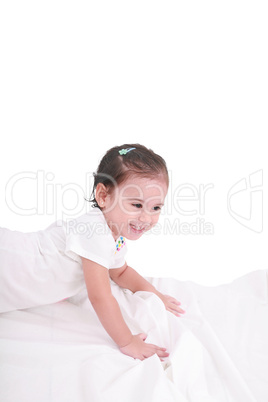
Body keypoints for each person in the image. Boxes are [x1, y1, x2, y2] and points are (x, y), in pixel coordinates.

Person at [0, 144, 185, 360]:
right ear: (103, 196)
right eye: (136, 205)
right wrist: (127, 341)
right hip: (13, 262)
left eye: (156, 208)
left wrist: (155, 294)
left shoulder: (113, 236)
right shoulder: (94, 231)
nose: (146, 218)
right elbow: (99, 296)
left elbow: (120, 272)